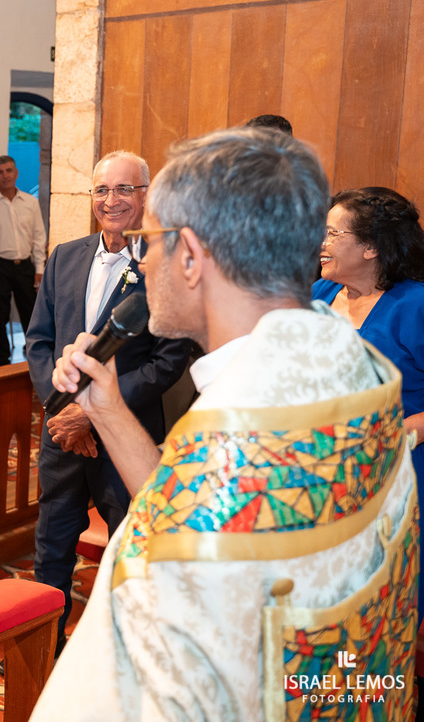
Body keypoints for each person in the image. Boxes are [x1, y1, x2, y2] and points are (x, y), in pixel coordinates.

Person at [31, 128, 417, 720]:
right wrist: (107, 410)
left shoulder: (214, 482)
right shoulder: (356, 372)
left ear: (190, 257)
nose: (144, 259)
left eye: (151, 240)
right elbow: (183, 495)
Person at [25, 150, 191, 655]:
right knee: (50, 552)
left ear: (146, 197)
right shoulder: (65, 256)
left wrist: (92, 415)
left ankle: (128, 662)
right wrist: (61, 411)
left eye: (124, 190)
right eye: (102, 190)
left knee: (130, 554)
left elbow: (167, 362)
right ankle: (43, 660)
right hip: (62, 435)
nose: (111, 200)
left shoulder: (164, 265)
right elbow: (38, 341)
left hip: (127, 441)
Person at [312, 185, 424, 613]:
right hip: (324, 482)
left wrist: (392, 434)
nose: (322, 245)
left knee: (380, 611)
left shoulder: (413, 305)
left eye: (333, 234)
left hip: (393, 483)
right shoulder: (320, 295)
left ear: (372, 248)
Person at [0, 155, 47, 365]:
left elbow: (39, 237)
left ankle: (34, 359)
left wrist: (39, 268)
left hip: (25, 267)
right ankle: (2, 362)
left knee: (31, 316)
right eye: (1, 172)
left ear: (16, 173)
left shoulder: (31, 203)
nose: (5, 176)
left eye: (9, 170)